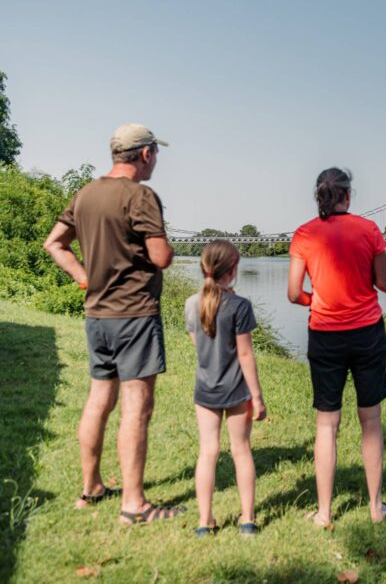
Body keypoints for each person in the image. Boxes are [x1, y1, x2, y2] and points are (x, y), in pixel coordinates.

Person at [43, 123, 185, 524]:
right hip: (135, 313)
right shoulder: (140, 196)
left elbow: (54, 242)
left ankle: (90, 488)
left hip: (97, 316)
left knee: (98, 400)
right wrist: (166, 245)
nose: (156, 159)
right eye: (156, 152)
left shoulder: (86, 193)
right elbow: (160, 258)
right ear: (144, 153)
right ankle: (135, 504)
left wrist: (83, 277)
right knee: (136, 407)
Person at [287, 167, 386, 527]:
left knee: (326, 423)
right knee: (371, 420)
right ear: (347, 196)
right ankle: (376, 508)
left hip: (324, 334)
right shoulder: (369, 231)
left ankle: (323, 513)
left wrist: (315, 299)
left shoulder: (304, 234)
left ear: (318, 196)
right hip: (366, 333)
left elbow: (293, 293)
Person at [185, 240, 267, 537]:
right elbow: (245, 354)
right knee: (241, 451)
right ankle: (247, 519)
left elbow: (197, 343)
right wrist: (256, 397)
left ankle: (205, 522)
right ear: (232, 271)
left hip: (205, 389)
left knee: (208, 452)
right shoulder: (240, 305)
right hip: (236, 390)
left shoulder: (191, 304)